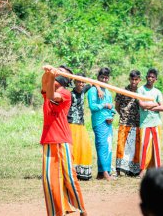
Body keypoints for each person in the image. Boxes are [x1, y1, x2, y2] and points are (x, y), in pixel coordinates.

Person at [40, 65, 87, 216]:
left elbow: (52, 97)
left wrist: (53, 75)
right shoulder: (49, 87)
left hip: (62, 140)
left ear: (64, 79)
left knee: (69, 178)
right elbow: (44, 84)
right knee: (49, 180)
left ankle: (82, 210)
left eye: (61, 72)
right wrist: (48, 73)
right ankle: (56, 212)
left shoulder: (65, 94)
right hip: (48, 140)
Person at [67, 72, 102, 180]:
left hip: (81, 125)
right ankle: (71, 172)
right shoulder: (69, 95)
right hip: (71, 124)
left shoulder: (83, 90)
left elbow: (94, 82)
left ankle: (82, 173)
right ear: (75, 82)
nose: (81, 84)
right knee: (73, 149)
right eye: (79, 81)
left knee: (84, 147)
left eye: (82, 82)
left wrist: (99, 89)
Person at [87, 67, 116, 181]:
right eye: (102, 77)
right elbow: (93, 107)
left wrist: (112, 115)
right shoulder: (93, 91)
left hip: (108, 122)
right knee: (102, 146)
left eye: (106, 78)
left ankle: (102, 172)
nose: (104, 80)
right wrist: (104, 105)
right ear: (98, 78)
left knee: (108, 147)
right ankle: (105, 172)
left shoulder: (108, 91)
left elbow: (112, 107)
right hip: (99, 122)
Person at [138, 69, 163, 177]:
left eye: (153, 77)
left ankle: (157, 169)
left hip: (156, 123)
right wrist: (154, 104)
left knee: (156, 147)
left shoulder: (157, 92)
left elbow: (162, 107)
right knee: (144, 147)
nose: (150, 79)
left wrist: (150, 105)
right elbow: (142, 105)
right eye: (149, 76)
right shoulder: (141, 90)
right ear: (146, 77)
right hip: (145, 123)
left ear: (155, 79)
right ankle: (142, 170)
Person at [114, 70, 142, 177]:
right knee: (121, 145)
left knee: (135, 147)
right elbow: (117, 106)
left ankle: (133, 170)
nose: (134, 81)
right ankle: (118, 170)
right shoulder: (122, 91)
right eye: (132, 79)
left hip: (137, 123)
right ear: (129, 79)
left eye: (136, 79)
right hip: (124, 122)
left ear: (139, 80)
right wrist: (123, 114)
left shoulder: (141, 92)